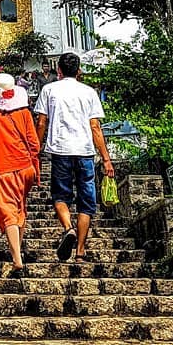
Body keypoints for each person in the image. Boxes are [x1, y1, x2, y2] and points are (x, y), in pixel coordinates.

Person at [34, 51, 115, 262]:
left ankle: (68, 228)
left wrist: (35, 150)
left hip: (60, 151)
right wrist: (106, 158)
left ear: (58, 71)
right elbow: (95, 127)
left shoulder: (49, 90)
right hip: (85, 152)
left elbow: (41, 122)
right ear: (79, 71)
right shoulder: (89, 92)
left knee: (60, 196)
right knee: (86, 202)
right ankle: (80, 251)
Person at [0, 72, 40, 279]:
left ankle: (17, 260)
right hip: (25, 167)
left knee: (8, 212)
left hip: (2, 167)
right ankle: (17, 252)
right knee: (20, 209)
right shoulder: (23, 111)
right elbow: (33, 142)